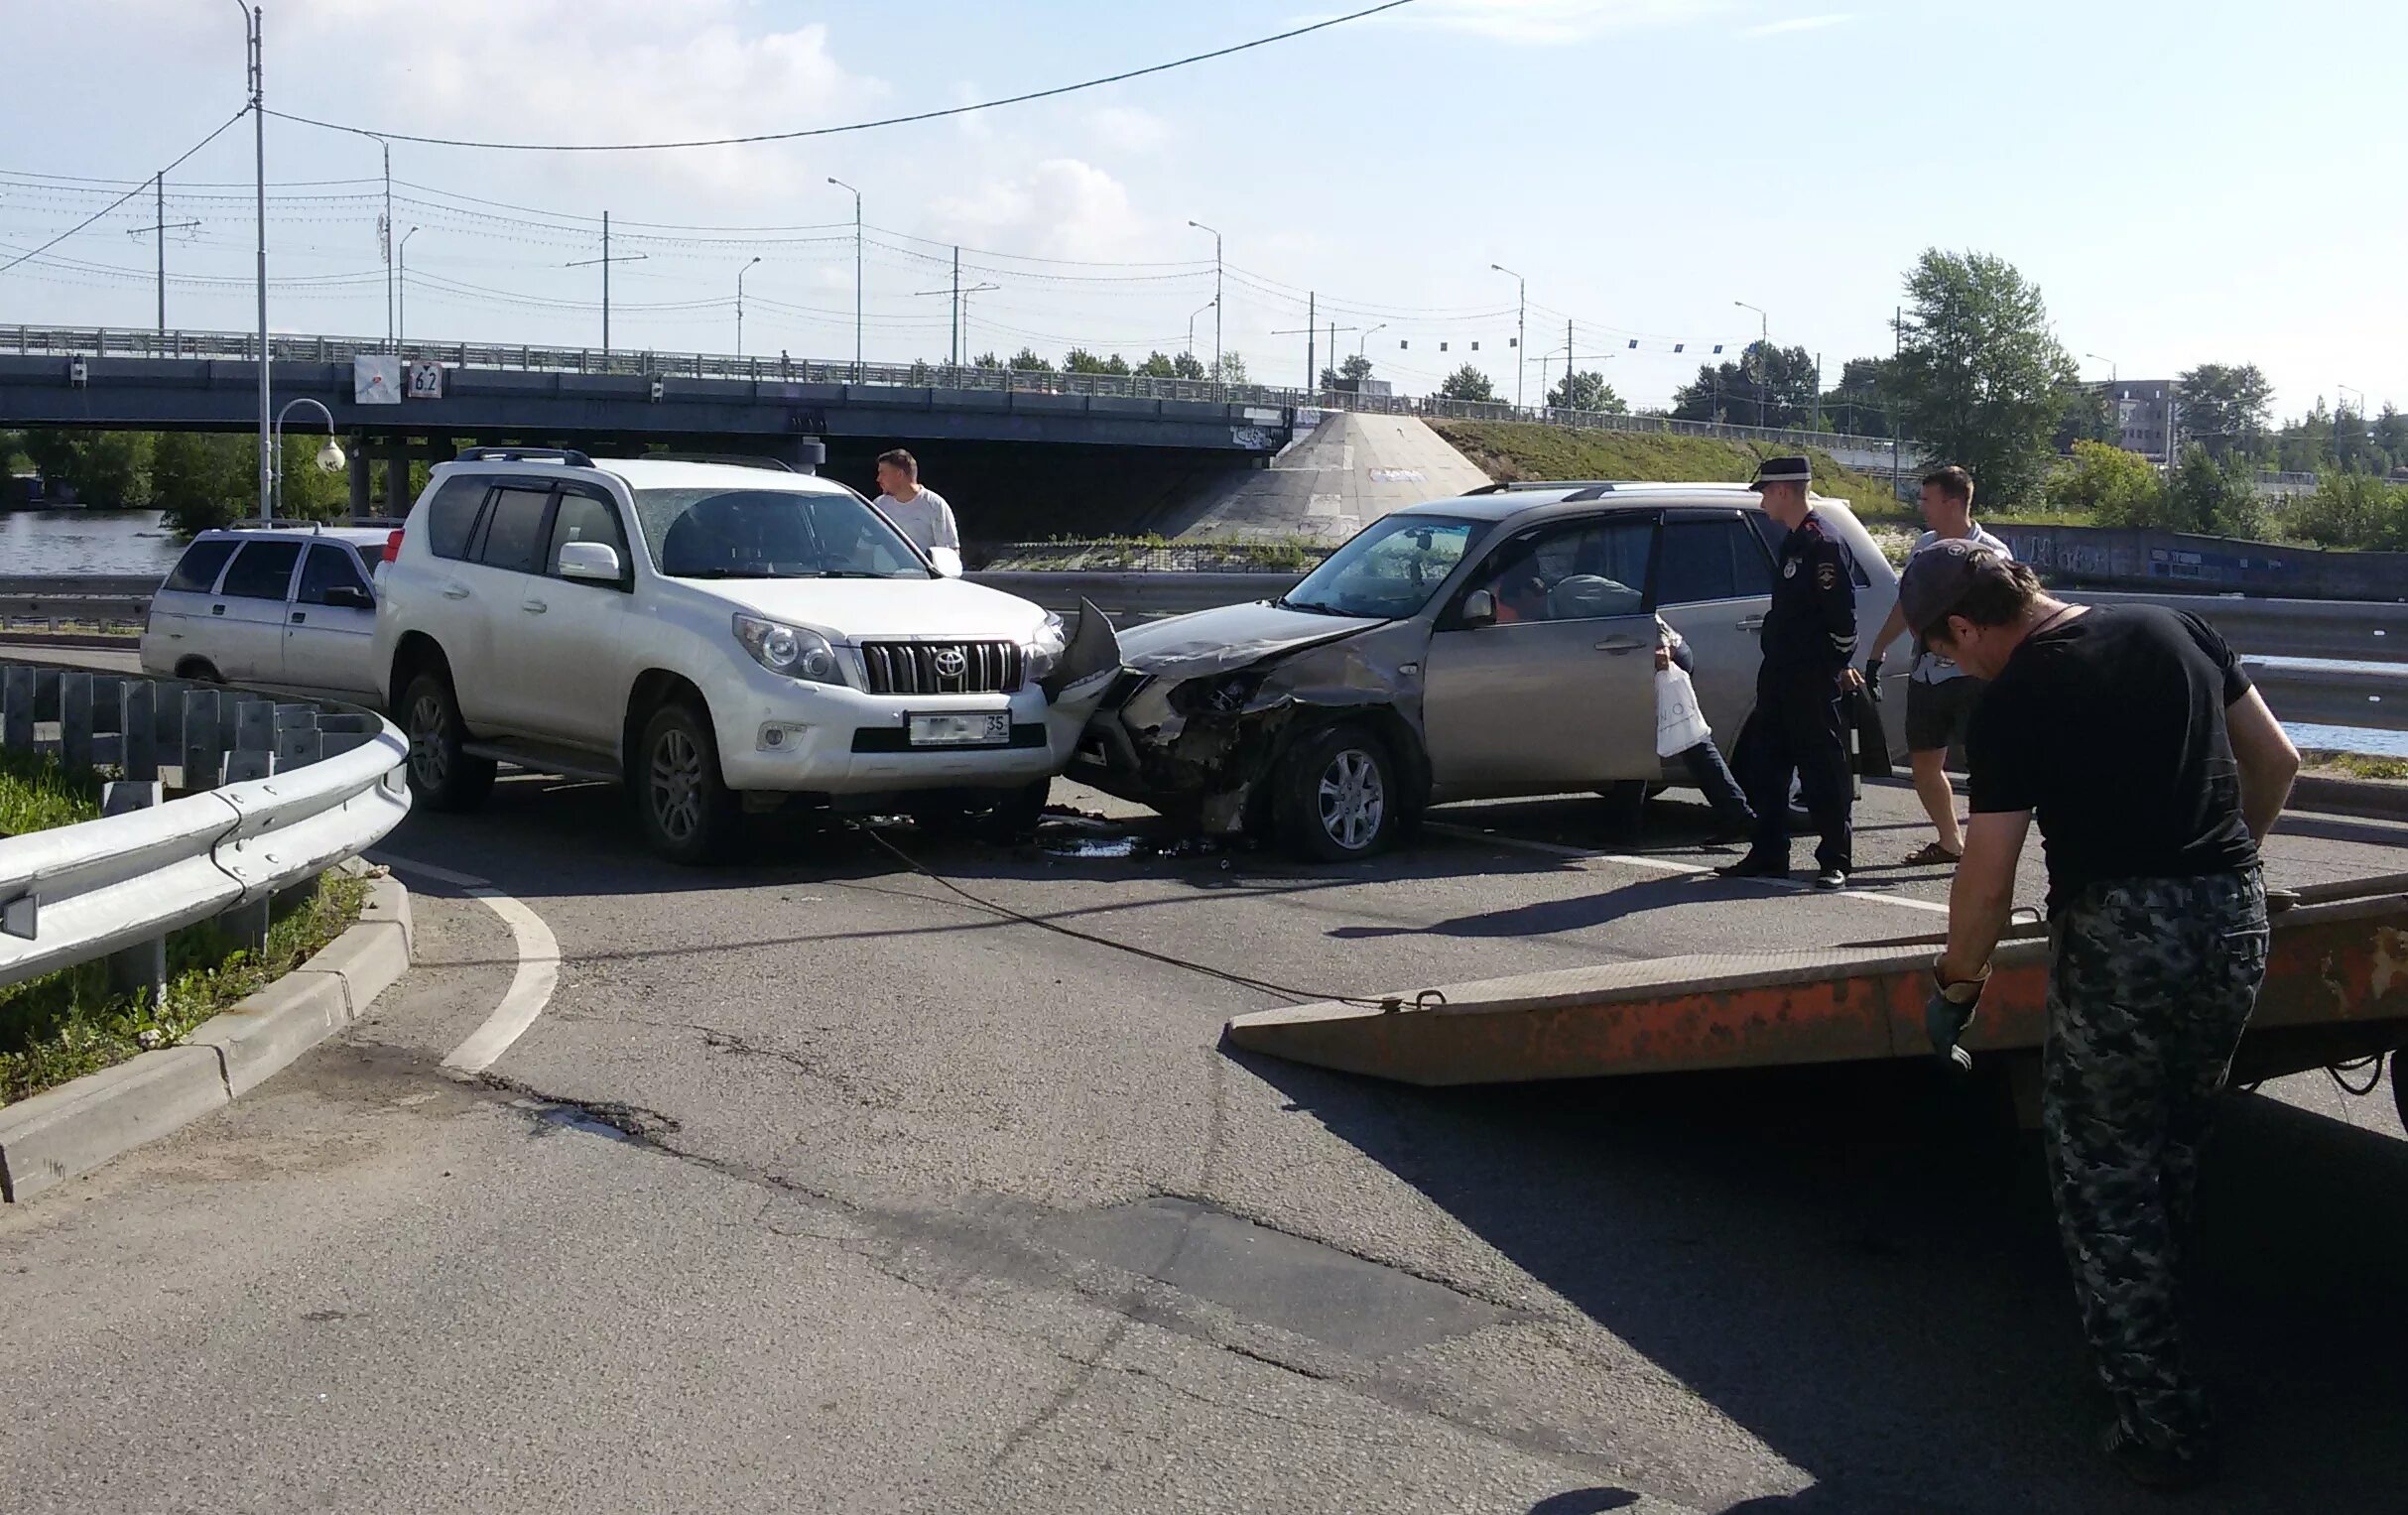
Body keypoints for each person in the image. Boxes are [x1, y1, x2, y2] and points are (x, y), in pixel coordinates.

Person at [1903, 540, 2299, 1490]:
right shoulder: (2175, 627)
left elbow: (1987, 874)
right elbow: (2276, 762)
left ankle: (2158, 1416)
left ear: (1964, 625)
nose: (1952, 667)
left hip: (2123, 936)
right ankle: (2155, 1340)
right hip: (2232, 919)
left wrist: (1958, 983)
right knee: (2174, 1142)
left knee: (2103, 1172)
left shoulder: (2019, 697)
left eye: (1945, 651)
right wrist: (2227, 866)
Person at [1717, 455, 1861, 889]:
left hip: (1810, 677)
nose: (1762, 500)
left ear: (1783, 490)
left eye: (1764, 491)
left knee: (1822, 771)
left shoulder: (1823, 544)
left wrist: (1833, 669)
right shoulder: (1793, 541)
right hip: (1779, 674)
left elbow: (1843, 621)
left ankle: (1834, 858)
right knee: (1768, 768)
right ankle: (1768, 852)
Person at [1862, 465, 2011, 864]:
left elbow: (2006, 619)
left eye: (1927, 499)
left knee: (1987, 767)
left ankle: (1986, 849)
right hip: (1927, 673)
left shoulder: (1991, 555)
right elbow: (1907, 604)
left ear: (1952, 502)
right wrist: (1878, 650)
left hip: (1973, 677)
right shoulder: (1924, 547)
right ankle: (1950, 842)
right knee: (1925, 764)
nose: (1921, 507)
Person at [1656, 616, 1755, 843]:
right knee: (1635, 737)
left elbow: (1645, 607)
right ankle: (1625, 823)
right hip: (1651, 653)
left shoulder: (1596, 587)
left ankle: (1741, 816)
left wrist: (1661, 644)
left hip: (1665, 655)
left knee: (1691, 741)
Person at [872, 448, 961, 574]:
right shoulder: (878, 505)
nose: (878, 479)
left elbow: (949, 552)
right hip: (882, 580)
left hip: (921, 582)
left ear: (899, 475)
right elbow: (865, 548)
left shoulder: (934, 504)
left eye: (882, 473)